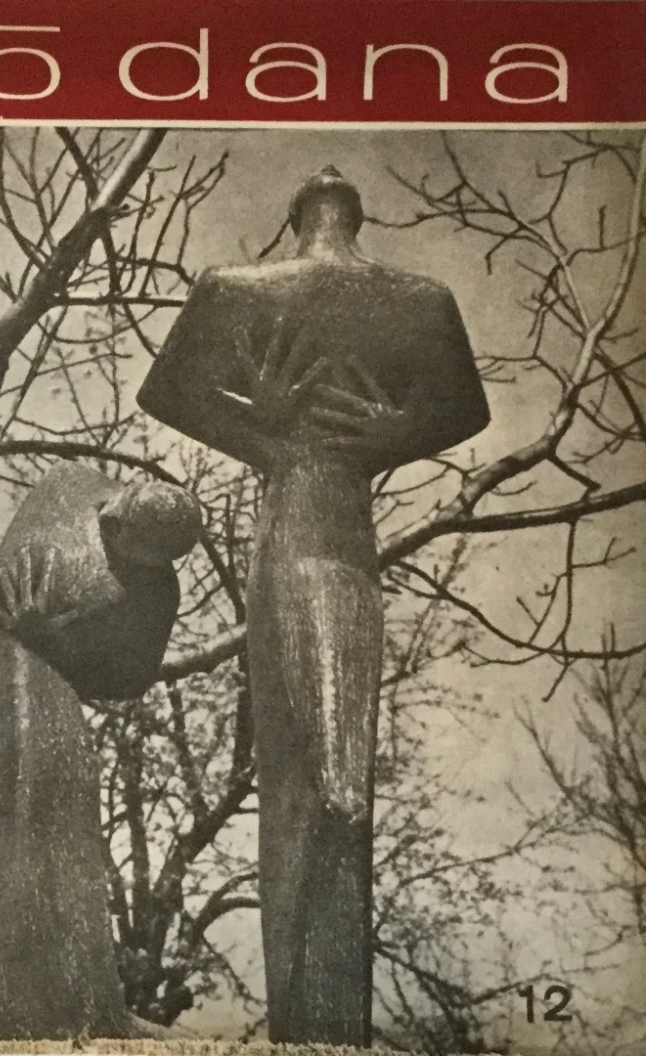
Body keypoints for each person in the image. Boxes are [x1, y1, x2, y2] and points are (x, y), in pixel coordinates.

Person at [137, 167, 489, 1045]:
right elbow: (464, 411)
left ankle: (322, 1016)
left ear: (293, 216)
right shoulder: (419, 299)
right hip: (313, 533)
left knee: (332, 778)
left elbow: (165, 394)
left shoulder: (238, 289)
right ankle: (316, 1016)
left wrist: (268, 430)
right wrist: (380, 435)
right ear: (354, 214)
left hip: (317, 535)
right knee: (316, 770)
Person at [0, 463, 201, 1042]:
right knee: (24, 798)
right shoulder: (72, 484)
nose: (108, 528)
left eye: (124, 538)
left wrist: (53, 639)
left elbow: (131, 679)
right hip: (12, 675)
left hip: (52, 677)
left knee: (58, 797)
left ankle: (59, 995)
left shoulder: (155, 593)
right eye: (114, 519)